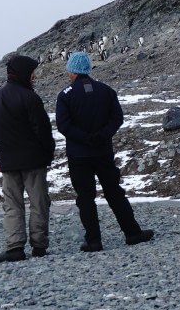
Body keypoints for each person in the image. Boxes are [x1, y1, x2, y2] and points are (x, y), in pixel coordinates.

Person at [55, 51, 154, 252]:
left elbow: (63, 125)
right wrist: (102, 135)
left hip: (79, 154)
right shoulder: (106, 90)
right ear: (88, 69)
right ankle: (132, 233)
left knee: (85, 196)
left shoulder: (65, 95)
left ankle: (93, 240)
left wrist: (84, 138)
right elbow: (117, 118)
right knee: (114, 192)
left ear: (72, 71)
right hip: (103, 151)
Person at [0, 54, 55, 262]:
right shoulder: (30, 97)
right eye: (33, 72)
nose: (35, 76)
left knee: (12, 204)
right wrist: (48, 152)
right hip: (33, 161)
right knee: (39, 202)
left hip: (8, 162)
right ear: (24, 72)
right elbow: (42, 130)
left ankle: (15, 246)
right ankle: (39, 245)